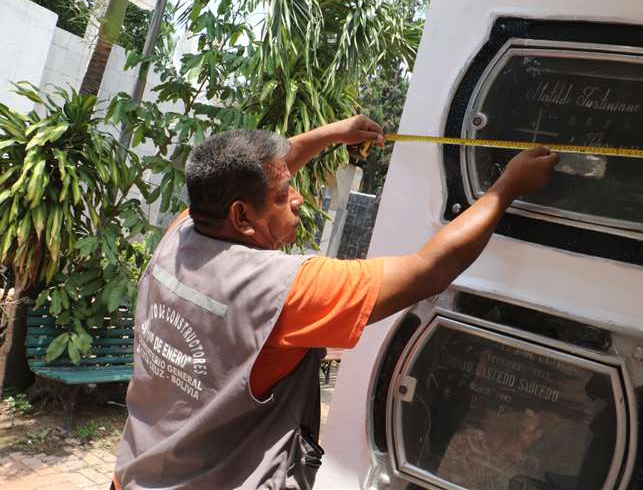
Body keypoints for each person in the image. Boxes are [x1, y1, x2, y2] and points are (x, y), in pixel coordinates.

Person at [111, 114, 558, 489]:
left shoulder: (182, 233)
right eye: (285, 197)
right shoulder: (285, 291)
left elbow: (259, 172)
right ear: (242, 217)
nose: (299, 199)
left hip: (135, 474)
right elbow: (430, 271)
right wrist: (506, 189)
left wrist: (330, 136)